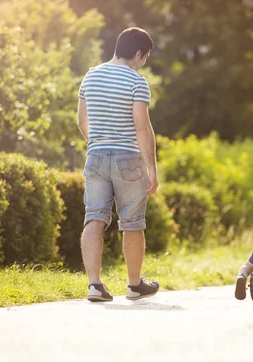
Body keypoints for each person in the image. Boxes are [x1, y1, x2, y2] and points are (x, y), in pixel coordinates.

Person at [77, 27, 160, 302]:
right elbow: (142, 129)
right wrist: (152, 168)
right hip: (128, 158)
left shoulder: (91, 75)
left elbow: (81, 120)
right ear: (138, 54)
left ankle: (94, 285)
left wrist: (98, 142)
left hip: (96, 156)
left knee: (94, 217)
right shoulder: (137, 81)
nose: (143, 62)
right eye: (144, 57)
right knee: (133, 222)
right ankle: (134, 285)